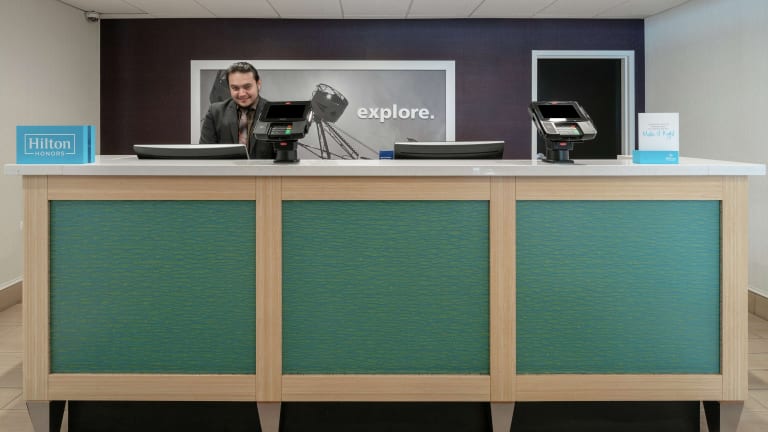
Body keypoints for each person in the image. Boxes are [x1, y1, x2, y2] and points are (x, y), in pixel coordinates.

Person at [200, 62, 275, 159]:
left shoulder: (275, 112)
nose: (241, 94)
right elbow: (205, 155)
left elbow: (284, 158)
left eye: (247, 87)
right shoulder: (215, 113)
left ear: (258, 84)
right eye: (235, 88)